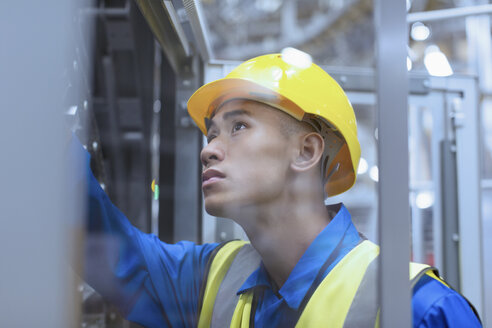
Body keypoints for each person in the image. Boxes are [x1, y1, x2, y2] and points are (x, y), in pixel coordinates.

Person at [75, 51, 481, 327]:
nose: (209, 150)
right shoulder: (211, 280)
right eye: (211, 133)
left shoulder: (420, 308)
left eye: (238, 127)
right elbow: (100, 244)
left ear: (306, 151)